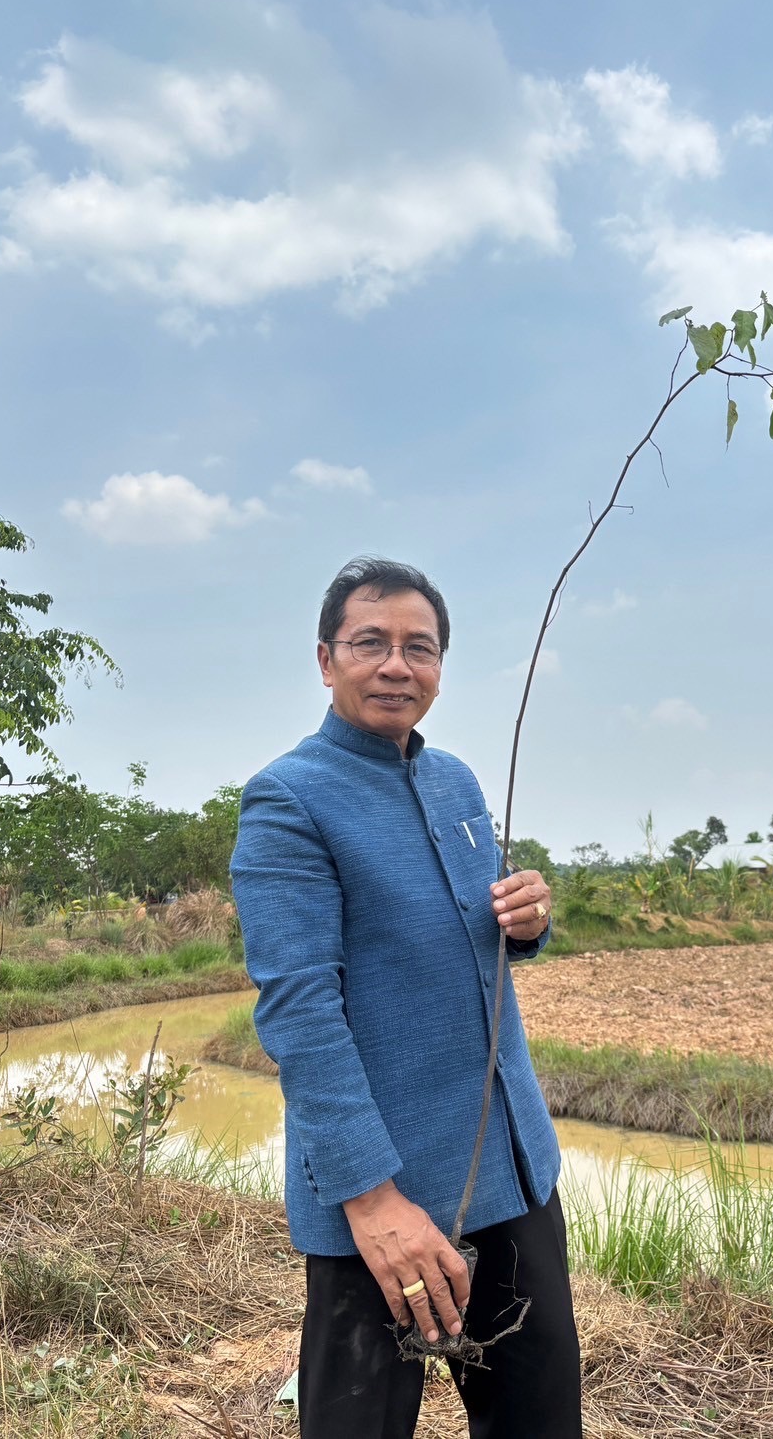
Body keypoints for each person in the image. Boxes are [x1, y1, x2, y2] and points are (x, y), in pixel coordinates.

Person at [231, 556, 582, 1439]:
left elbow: (475, 930)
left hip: (509, 1170)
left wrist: (529, 921)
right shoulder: (288, 799)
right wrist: (373, 1200)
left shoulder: (456, 781)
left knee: (540, 1418)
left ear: (439, 668)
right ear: (326, 660)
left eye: (418, 647)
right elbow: (300, 1013)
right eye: (370, 643)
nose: (397, 665)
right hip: (380, 1203)